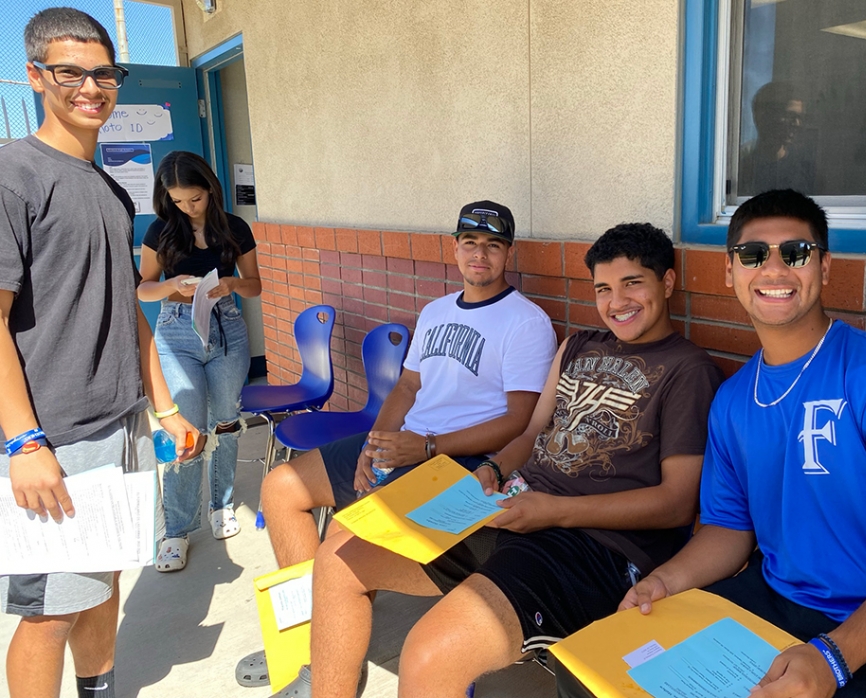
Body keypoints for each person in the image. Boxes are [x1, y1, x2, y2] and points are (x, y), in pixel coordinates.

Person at [558, 189, 866, 698]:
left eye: (795, 252)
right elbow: (728, 530)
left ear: (823, 266)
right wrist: (664, 581)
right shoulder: (733, 400)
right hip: (778, 602)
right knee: (596, 677)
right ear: (730, 271)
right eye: (754, 255)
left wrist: (833, 659)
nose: (774, 270)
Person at [293, 223, 723, 698]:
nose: (616, 301)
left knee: (429, 654)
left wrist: (552, 511)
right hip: (514, 510)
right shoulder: (578, 346)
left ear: (666, 282)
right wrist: (492, 470)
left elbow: (677, 503)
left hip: (591, 546)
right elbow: (533, 431)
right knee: (337, 561)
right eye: (603, 288)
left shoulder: (688, 370)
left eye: (632, 284)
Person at [235, 200, 558, 691]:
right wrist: (373, 445)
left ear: (507, 254)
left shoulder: (525, 321)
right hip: (409, 443)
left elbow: (518, 423)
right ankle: (317, 647)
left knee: (341, 548)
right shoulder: (435, 311)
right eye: (470, 243)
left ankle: (331, 664)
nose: (480, 255)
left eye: (493, 246)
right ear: (455, 248)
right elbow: (406, 389)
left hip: (455, 459)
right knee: (282, 489)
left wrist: (425, 448)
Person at [0, 9, 198, 698]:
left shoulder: (112, 192)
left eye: (103, 74)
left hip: (123, 425)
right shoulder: (13, 175)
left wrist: (165, 409)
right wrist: (24, 441)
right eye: (70, 72)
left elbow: (128, 314)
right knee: (50, 610)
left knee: (106, 577)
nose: (91, 87)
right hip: (55, 436)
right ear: (36, 77)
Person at [138, 150, 262, 572]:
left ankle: (221, 505)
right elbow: (143, 289)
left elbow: (255, 287)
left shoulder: (235, 228)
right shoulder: (160, 230)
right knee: (186, 431)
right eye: (177, 201)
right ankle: (177, 531)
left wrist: (230, 283)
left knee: (226, 422)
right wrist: (171, 284)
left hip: (227, 329)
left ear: (210, 189)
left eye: (194, 199)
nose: (187, 208)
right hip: (176, 332)